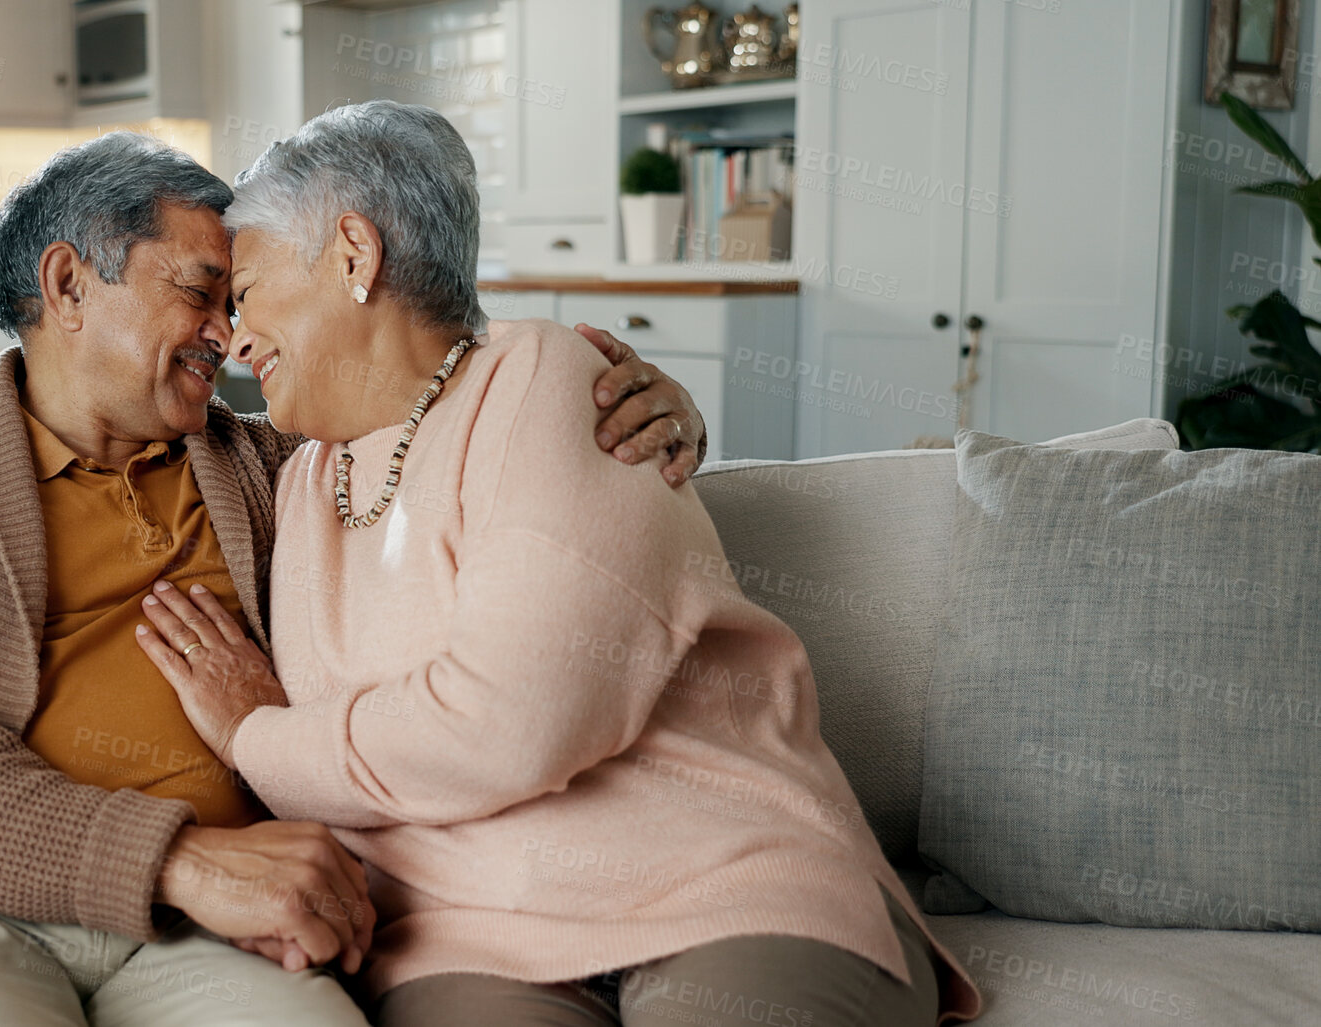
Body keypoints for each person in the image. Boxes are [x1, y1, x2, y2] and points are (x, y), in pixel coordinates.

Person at [0, 131, 710, 1027]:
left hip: (213, 927)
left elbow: (455, 433)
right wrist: (176, 860)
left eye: (242, 295)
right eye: (206, 292)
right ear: (69, 284)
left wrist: (635, 410)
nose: (233, 335)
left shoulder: (280, 469)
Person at [137, 101, 985, 1027]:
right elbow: (110, 439)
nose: (232, 335)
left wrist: (253, 732)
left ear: (353, 255)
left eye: (247, 293)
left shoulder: (541, 380)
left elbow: (512, 721)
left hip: (715, 882)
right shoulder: (287, 473)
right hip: (462, 933)